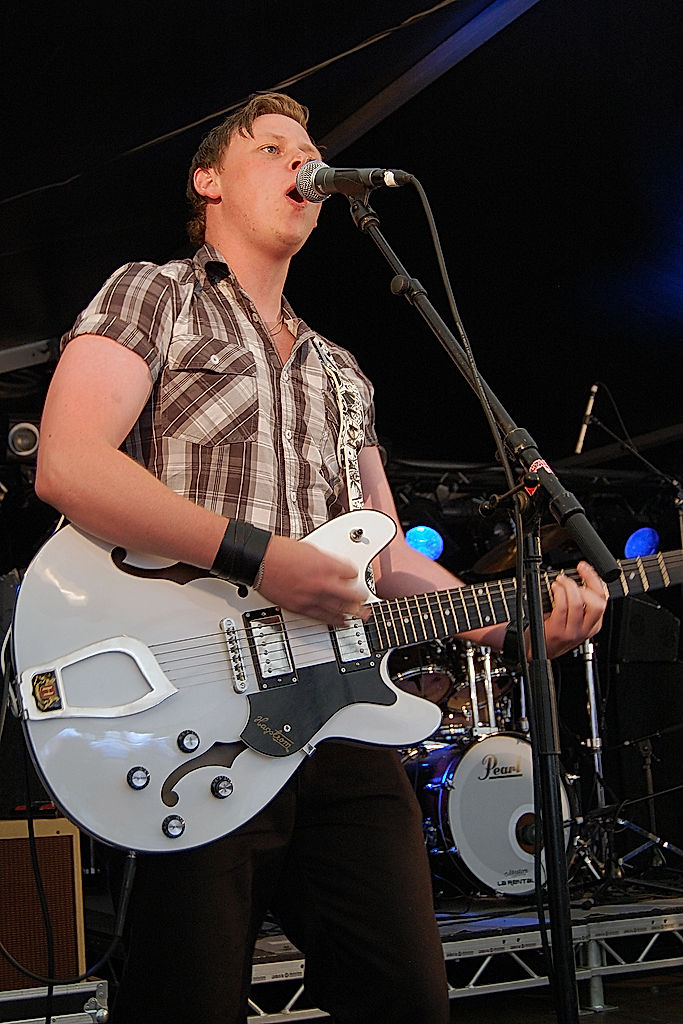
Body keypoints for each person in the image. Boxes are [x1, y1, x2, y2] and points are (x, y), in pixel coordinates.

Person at [35, 92, 607, 1024]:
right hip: (199, 719)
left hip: (341, 723)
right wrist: (260, 557)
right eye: (272, 148)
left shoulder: (342, 372)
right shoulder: (154, 293)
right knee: (186, 1000)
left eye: (310, 151)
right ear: (208, 180)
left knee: (406, 999)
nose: (302, 164)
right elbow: (68, 462)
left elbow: (382, 556)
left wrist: (511, 621)